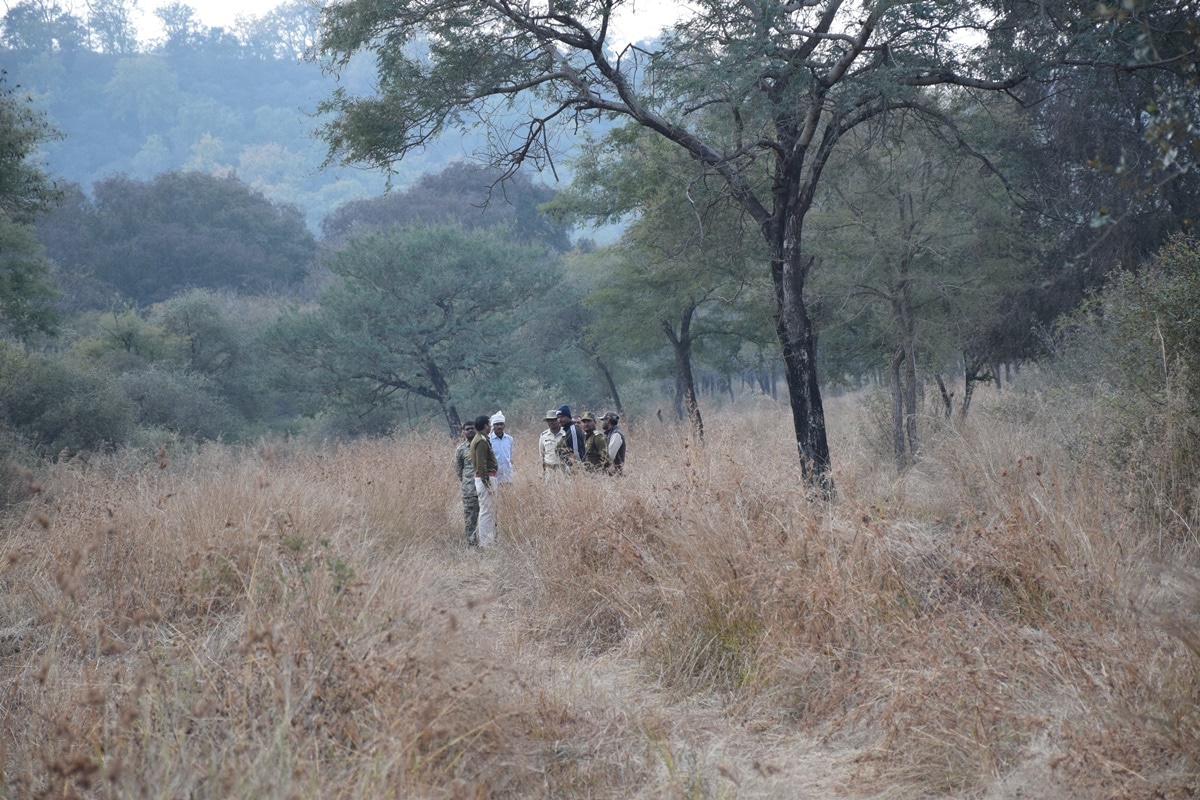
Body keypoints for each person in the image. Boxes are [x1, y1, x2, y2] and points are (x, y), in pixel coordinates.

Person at [470, 415, 499, 547]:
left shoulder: (481, 439)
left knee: (488, 510)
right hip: (485, 478)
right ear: (485, 426)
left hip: (485, 478)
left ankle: (488, 541)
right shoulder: (481, 441)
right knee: (487, 511)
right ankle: (486, 543)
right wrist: (487, 483)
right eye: (489, 424)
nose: (491, 427)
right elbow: (481, 464)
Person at [453, 421, 479, 546]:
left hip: (484, 488)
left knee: (485, 516)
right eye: (467, 429)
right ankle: (472, 544)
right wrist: (467, 482)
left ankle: (486, 542)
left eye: (472, 428)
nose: (470, 431)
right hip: (469, 490)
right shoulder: (461, 449)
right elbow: (458, 469)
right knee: (470, 518)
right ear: (463, 432)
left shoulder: (482, 444)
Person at [539, 409, 568, 477]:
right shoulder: (544, 436)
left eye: (554, 420)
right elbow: (541, 454)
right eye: (549, 420)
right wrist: (542, 472)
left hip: (563, 470)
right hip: (549, 471)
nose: (551, 422)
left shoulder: (565, 433)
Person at [489, 410, 514, 484]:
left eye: (501, 424)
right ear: (493, 426)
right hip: (494, 476)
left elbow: (510, 456)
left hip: (507, 475)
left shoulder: (509, 439)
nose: (499, 426)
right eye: (497, 424)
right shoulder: (489, 439)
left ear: (504, 425)